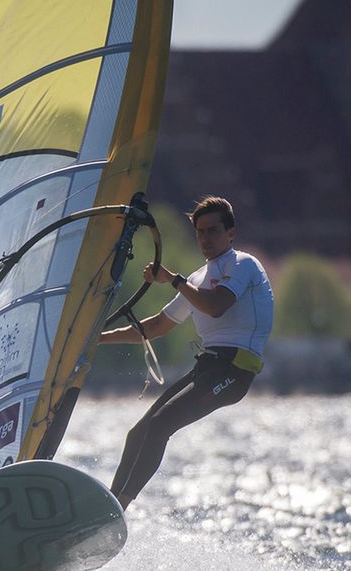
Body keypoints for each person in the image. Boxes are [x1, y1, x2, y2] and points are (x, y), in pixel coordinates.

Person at [100, 196, 273, 509]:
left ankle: (119, 506)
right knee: (137, 433)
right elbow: (157, 326)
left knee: (159, 426)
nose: (206, 239)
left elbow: (216, 306)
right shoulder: (196, 279)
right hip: (208, 368)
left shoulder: (244, 265)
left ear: (231, 233)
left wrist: (172, 279)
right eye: (200, 232)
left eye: (213, 231)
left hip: (234, 371)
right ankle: (108, 506)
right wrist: (98, 339)